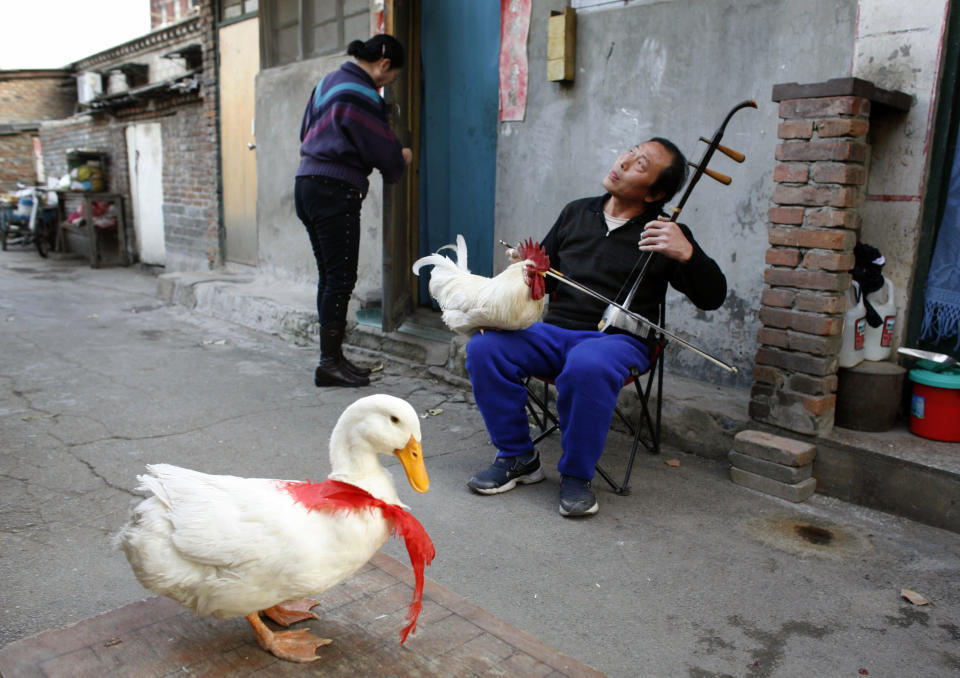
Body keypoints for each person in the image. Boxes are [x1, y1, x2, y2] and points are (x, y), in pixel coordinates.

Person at [465, 138, 727, 517]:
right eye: (629, 152)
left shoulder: (665, 232)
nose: (622, 162)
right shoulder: (577, 212)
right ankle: (518, 457)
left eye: (640, 164)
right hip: (554, 333)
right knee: (484, 347)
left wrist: (688, 253)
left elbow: (712, 297)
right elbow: (549, 279)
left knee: (588, 364)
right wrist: (527, 269)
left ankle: (576, 475)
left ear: (657, 193)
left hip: (621, 341)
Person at [295, 34, 413, 388]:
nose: (390, 83)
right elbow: (381, 146)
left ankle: (333, 360)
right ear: (384, 64)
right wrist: (401, 159)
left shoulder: (327, 82)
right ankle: (329, 363)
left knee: (330, 277)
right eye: (393, 76)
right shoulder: (361, 92)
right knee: (341, 278)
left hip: (307, 185)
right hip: (335, 190)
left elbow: (306, 131)